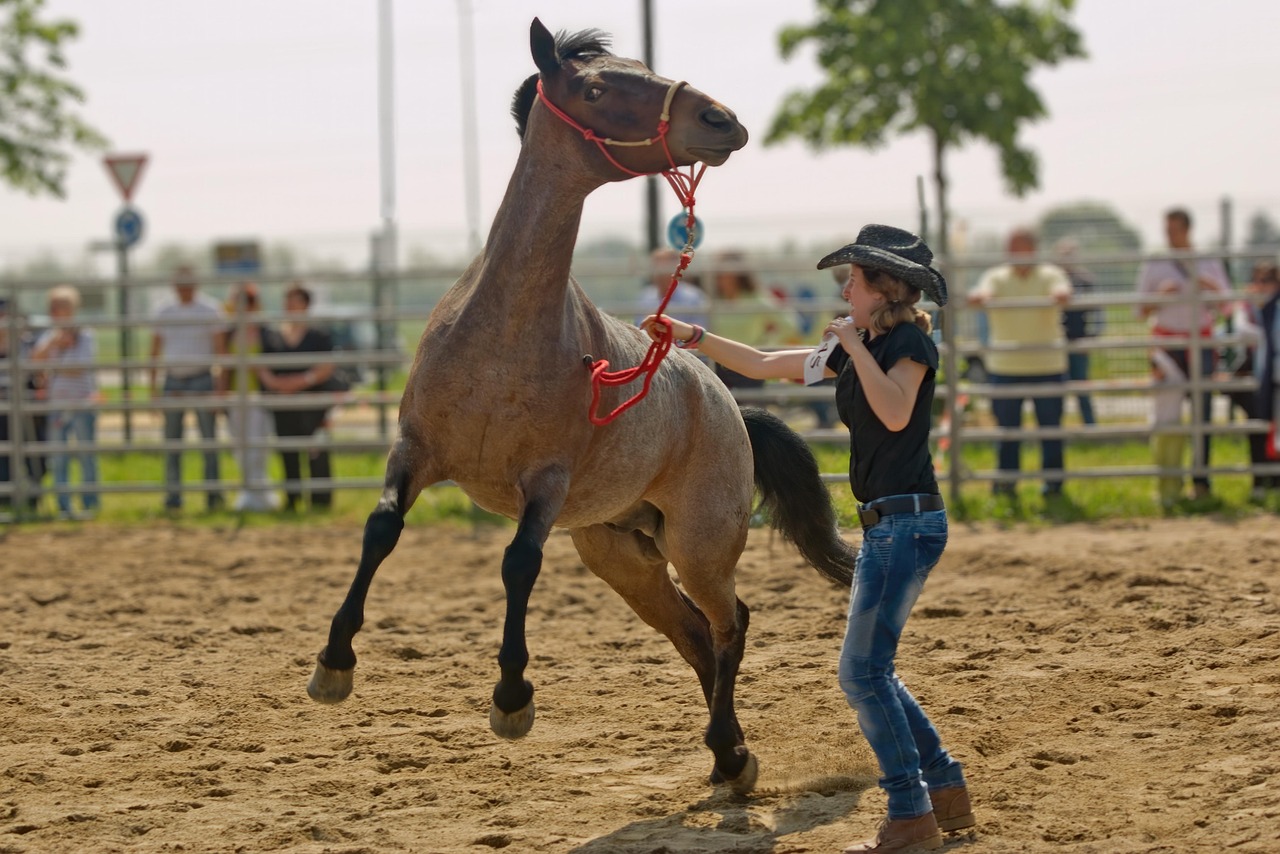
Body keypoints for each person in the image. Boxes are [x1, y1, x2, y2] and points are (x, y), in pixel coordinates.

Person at [642, 224, 972, 853]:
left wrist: (853, 343)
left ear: (883, 289)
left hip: (906, 522)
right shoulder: (865, 345)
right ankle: (944, 786)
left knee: (861, 674)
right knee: (874, 671)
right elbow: (769, 364)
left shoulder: (905, 345)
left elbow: (897, 410)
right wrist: (691, 337)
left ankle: (911, 813)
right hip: (891, 521)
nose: (845, 287)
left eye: (854, 279)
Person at [967, 228, 1072, 498]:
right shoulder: (997, 276)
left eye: (1019, 248)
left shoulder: (1051, 274)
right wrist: (981, 297)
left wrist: (1061, 294)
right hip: (1005, 366)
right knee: (1007, 431)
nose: (1013, 254)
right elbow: (983, 292)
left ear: (1033, 250)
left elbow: (1062, 290)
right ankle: (1006, 483)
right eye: (1011, 248)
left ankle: (1053, 485)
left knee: (1050, 430)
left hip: (1047, 365)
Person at [1135, 207, 1231, 500]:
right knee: (1167, 417)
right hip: (1166, 345)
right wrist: (1158, 297)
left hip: (1200, 344)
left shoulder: (1208, 261)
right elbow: (1138, 310)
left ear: (1188, 229)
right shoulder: (1156, 263)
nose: (1169, 236)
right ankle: (1168, 485)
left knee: (1202, 416)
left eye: (1174, 230)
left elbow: (1228, 307)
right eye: (1166, 230)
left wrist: (1211, 288)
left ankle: (1201, 483)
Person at [150, 265, 229, 513]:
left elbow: (221, 352)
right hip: (173, 381)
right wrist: (153, 389)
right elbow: (154, 351)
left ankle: (213, 496)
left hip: (202, 379)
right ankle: (173, 498)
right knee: (172, 444)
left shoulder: (210, 309)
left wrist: (220, 390)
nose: (184, 288)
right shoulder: (164, 311)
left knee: (209, 443)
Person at [260, 282, 337, 512]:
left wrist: (302, 381)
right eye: (287, 301)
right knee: (288, 450)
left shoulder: (319, 334)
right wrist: (276, 384)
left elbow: (327, 365)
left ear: (306, 305)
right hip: (283, 402)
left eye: (295, 301)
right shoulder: (274, 336)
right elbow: (262, 365)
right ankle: (292, 500)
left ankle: (320, 502)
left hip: (312, 402)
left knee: (316, 450)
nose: (290, 306)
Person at [30, 286, 100, 518]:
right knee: (59, 459)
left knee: (86, 457)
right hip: (57, 405)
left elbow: (80, 367)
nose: (55, 311)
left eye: (60, 306)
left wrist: (52, 363)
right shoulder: (50, 336)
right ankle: (64, 506)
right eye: (53, 306)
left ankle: (90, 504)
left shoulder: (85, 335)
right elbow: (34, 360)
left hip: (82, 404)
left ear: (72, 309)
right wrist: (54, 346)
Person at [1220, 262, 1280, 500]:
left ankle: (1273, 485)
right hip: (1257, 380)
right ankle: (1261, 484)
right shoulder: (1252, 309)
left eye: (1266, 281)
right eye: (1257, 281)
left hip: (1273, 379)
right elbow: (1238, 329)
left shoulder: (1270, 310)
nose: (1260, 287)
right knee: (1258, 431)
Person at [706, 249, 803, 391]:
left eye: (724, 273)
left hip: (748, 366)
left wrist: (767, 346)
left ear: (739, 275)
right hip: (720, 368)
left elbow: (791, 324)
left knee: (749, 411)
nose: (719, 278)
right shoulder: (714, 301)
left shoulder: (756, 298)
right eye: (718, 274)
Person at [220, 282, 279, 512]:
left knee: (259, 446)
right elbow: (224, 366)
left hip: (259, 397)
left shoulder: (266, 332)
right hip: (236, 397)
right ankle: (247, 492)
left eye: (247, 302)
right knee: (239, 446)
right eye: (238, 302)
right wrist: (221, 393)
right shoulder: (229, 332)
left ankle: (261, 494)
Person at [0, 297, 49, 514]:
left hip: (28, 403)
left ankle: (33, 498)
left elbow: (40, 370)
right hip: (3, 407)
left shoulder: (29, 341)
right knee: (3, 454)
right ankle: (6, 498)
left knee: (34, 453)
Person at [1054, 237, 1100, 425]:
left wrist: (1092, 338)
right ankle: (1056, 427)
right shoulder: (1053, 280)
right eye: (1064, 254)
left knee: (1081, 386)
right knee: (1057, 388)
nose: (1067, 258)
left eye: (1070, 254)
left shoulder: (1085, 280)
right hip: (1056, 343)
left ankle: (1090, 427)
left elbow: (1097, 313)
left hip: (1079, 341)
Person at [1150, 348, 1188, 512]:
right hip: (1158, 428)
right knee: (1160, 463)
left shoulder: (1175, 381)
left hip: (1174, 428)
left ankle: (1174, 494)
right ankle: (1162, 495)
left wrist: (1156, 353)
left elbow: (1171, 369)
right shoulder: (1155, 384)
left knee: (1173, 462)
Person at [635, 246, 707, 327]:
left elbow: (698, 331)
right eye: (656, 267)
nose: (659, 273)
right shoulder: (645, 297)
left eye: (664, 268)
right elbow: (639, 328)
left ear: (676, 269)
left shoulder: (694, 298)